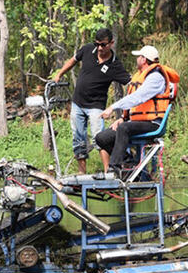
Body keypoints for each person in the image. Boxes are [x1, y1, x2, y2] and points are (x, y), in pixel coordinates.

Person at [52, 28, 132, 174]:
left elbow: (131, 83)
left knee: (99, 138)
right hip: (78, 103)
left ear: (111, 43)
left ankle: (109, 170)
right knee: (78, 139)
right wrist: (60, 74)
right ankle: (82, 172)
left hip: (96, 106)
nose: (99, 48)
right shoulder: (88, 49)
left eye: (103, 44)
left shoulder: (115, 65)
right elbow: (73, 60)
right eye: (97, 44)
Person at [95, 44, 179, 177]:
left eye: (138, 57)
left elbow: (138, 98)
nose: (137, 59)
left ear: (144, 59)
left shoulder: (156, 77)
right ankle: (129, 163)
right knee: (102, 138)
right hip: (137, 122)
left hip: (153, 123)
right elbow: (135, 104)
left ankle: (114, 168)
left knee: (124, 128)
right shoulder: (141, 76)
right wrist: (123, 118)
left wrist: (112, 107)